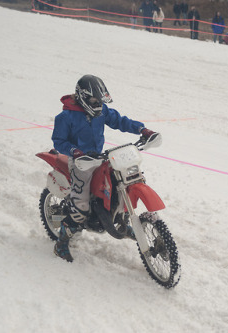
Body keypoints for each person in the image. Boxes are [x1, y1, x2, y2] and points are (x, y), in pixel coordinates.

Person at [51, 75, 156, 262]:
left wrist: (142, 130)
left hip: (99, 157)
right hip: (80, 162)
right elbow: (59, 141)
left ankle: (120, 217)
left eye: (100, 100)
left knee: (118, 183)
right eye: (94, 100)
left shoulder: (102, 111)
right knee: (81, 206)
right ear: (82, 96)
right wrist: (74, 151)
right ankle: (61, 244)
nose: (98, 104)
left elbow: (120, 121)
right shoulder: (66, 116)